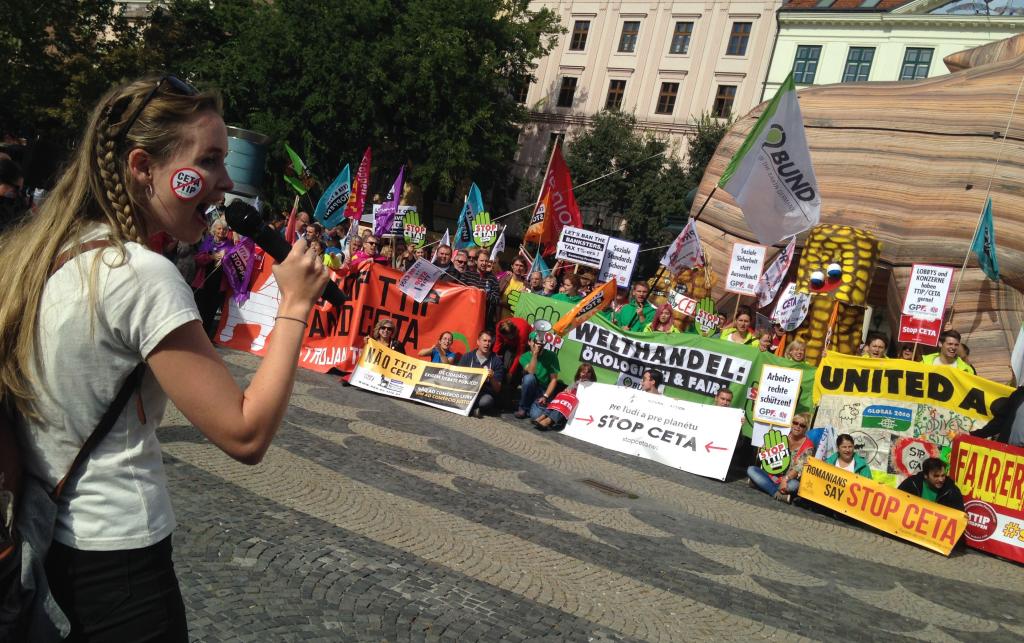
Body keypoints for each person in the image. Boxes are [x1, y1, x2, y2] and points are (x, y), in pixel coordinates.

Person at [2, 75, 327, 641]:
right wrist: (296, 305)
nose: (225, 185)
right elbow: (245, 433)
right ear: (141, 167)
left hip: (64, 536)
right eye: (208, 161)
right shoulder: (141, 276)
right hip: (120, 550)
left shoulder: (58, 248)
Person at [746, 413, 814, 503]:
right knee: (751, 470)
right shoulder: (782, 435)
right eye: (795, 423)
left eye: (802, 425)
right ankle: (776, 493)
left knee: (794, 485)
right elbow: (765, 456)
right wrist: (765, 450)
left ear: (806, 429)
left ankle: (760, 485)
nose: (797, 426)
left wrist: (785, 479)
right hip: (772, 475)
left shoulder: (808, 446)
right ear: (791, 423)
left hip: (790, 479)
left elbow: (798, 468)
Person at [192, 217, 235, 338]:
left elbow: (232, 264)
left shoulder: (229, 244)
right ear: (214, 229)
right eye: (219, 228)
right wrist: (211, 257)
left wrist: (225, 258)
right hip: (203, 282)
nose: (222, 231)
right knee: (199, 309)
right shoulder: (208, 241)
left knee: (211, 312)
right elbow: (198, 259)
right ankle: (194, 335)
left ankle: (204, 337)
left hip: (218, 284)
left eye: (224, 229)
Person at [532, 363, 597, 430]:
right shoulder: (576, 381)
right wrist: (566, 391)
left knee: (565, 403)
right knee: (561, 397)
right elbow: (567, 390)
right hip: (568, 400)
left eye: (588, 372)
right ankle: (543, 416)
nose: (585, 374)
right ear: (579, 373)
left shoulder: (593, 385)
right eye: (583, 372)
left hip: (577, 403)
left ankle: (549, 420)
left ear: (592, 374)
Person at [459, 330, 505, 417]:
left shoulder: (496, 361)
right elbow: (457, 377)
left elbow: (497, 389)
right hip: (467, 391)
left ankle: (471, 408)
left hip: (484, 394)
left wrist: (491, 378)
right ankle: (474, 409)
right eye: (484, 340)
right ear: (478, 342)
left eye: (489, 341)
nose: (487, 344)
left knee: (487, 401)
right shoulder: (467, 357)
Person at [515, 331, 561, 418]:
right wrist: (535, 354)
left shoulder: (552, 356)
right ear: (529, 342)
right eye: (535, 342)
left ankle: (532, 406)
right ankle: (523, 408)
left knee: (535, 415)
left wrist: (545, 396)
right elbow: (531, 371)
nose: (538, 345)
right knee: (529, 378)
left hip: (543, 390)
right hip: (531, 386)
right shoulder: (524, 357)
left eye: (541, 342)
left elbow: (554, 379)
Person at [897, 457, 965, 511]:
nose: (941, 479)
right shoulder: (911, 483)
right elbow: (896, 501)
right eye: (936, 476)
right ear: (925, 475)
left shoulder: (952, 491)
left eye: (943, 475)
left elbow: (959, 515)